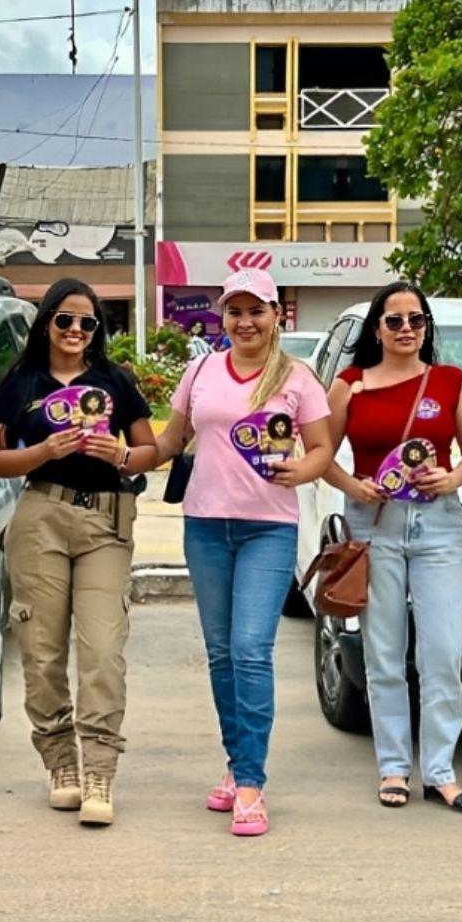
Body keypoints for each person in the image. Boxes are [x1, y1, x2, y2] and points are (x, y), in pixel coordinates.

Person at [156, 267, 334, 837]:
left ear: (276, 314)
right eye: (235, 310)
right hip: (206, 526)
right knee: (221, 654)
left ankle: (252, 783)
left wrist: (299, 471)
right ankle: (236, 765)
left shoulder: (297, 377)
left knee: (251, 650)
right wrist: (121, 452)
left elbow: (323, 449)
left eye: (256, 310)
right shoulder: (201, 369)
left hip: (267, 529)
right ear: (222, 316)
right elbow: (169, 440)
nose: (245, 321)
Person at [0, 278, 158, 827]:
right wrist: (42, 450)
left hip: (106, 518)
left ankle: (100, 769)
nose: (77, 332)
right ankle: (61, 763)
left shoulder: (114, 381)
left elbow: (150, 449)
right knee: (40, 648)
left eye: (88, 323)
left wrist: (124, 454)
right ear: (47, 323)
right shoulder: (23, 381)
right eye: (65, 320)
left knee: (104, 646)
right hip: (42, 514)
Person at [322, 281, 462, 812]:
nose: (407, 330)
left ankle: (440, 770)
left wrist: (452, 478)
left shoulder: (450, 381)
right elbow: (320, 453)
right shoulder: (350, 385)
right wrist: (354, 486)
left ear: (426, 327)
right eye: (395, 321)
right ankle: (393, 768)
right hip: (375, 525)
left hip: (438, 525)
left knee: (443, 650)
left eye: (416, 320)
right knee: (384, 653)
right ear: (377, 328)